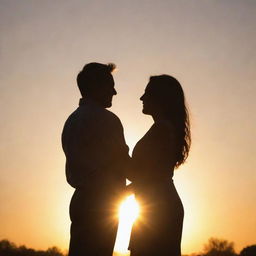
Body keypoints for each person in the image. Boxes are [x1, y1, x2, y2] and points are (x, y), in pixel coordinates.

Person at [61, 62, 130, 256]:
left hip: (81, 201)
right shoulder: (108, 120)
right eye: (110, 85)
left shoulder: (72, 120)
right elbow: (124, 164)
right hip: (102, 204)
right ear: (95, 86)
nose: (114, 92)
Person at [128, 75, 191, 256]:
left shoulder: (162, 129)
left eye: (146, 93)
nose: (141, 98)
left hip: (158, 208)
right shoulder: (164, 128)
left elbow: (149, 176)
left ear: (160, 98)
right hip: (155, 205)